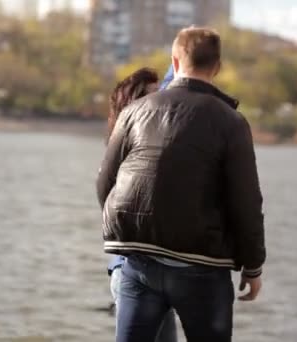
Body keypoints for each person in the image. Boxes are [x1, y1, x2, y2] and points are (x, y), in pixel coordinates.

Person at [97, 27, 266, 342]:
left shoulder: (134, 112)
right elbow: (246, 202)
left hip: (139, 266)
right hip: (202, 268)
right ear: (217, 67)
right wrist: (253, 267)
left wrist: (128, 232)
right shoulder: (231, 122)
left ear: (175, 61)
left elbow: (105, 182)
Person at [106, 67, 178, 342]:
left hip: (151, 274)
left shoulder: (135, 139)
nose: (160, 100)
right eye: (153, 95)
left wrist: (180, 58)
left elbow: (174, 87)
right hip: (133, 275)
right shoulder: (135, 150)